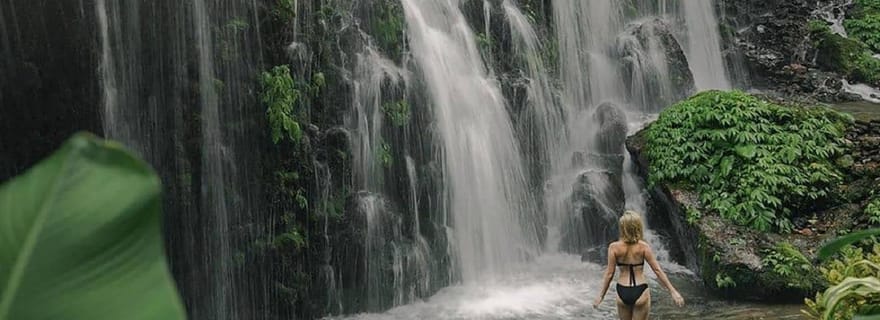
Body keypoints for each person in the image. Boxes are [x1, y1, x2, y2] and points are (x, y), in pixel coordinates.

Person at [592, 211, 685, 320]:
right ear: (638, 227)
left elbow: (609, 274)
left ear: (622, 228)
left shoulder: (613, 247)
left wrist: (601, 296)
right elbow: (657, 270)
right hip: (640, 290)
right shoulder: (643, 247)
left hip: (622, 290)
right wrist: (673, 291)